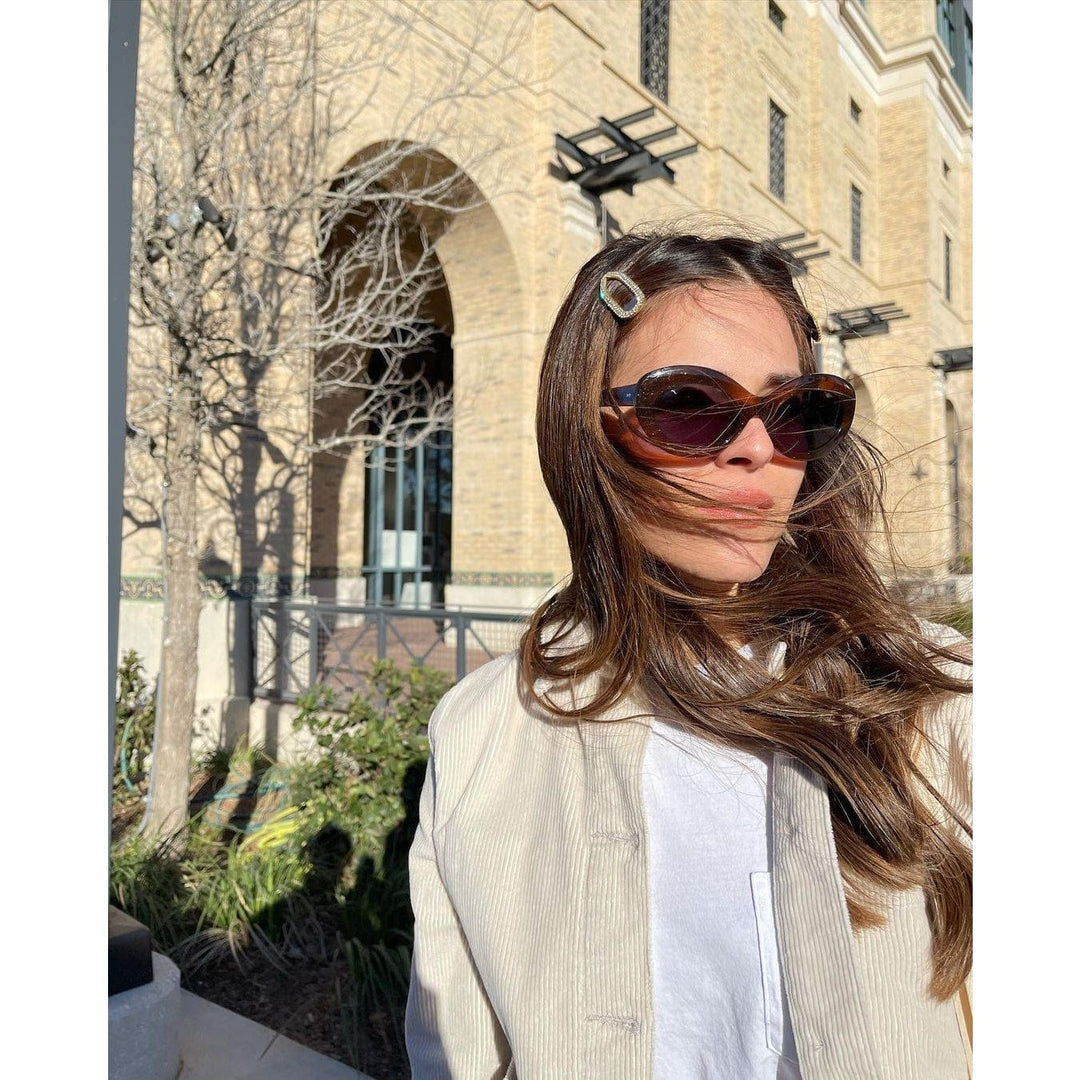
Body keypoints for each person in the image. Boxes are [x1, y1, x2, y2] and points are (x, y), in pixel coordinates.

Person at [405, 230, 972, 1080]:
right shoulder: (484, 731)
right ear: (592, 433)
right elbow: (455, 1049)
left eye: (798, 410)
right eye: (689, 405)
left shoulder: (932, 698)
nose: (757, 448)